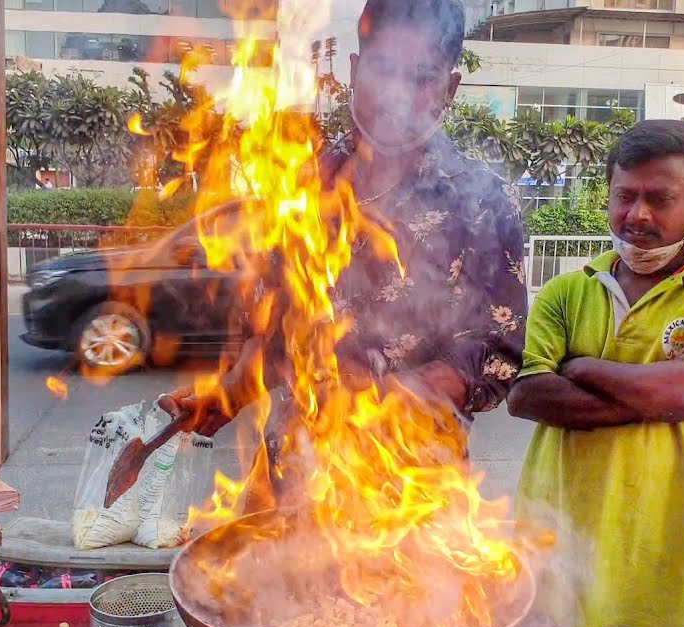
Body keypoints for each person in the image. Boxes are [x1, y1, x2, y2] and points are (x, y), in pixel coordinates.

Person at [161, 0, 528, 497]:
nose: (397, 94)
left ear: (449, 89)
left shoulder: (483, 203)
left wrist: (367, 396)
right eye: (383, 69)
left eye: (420, 77)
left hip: (413, 497)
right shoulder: (303, 183)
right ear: (355, 70)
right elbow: (273, 336)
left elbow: (492, 359)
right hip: (295, 476)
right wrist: (226, 395)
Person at [507, 120, 684, 627]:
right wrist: (655, 389)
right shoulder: (566, 290)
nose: (639, 215)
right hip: (553, 544)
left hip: (664, 551)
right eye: (625, 196)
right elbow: (529, 395)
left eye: (660, 198)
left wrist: (578, 366)